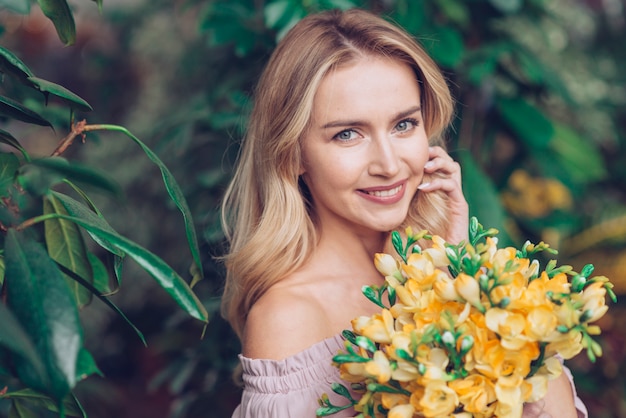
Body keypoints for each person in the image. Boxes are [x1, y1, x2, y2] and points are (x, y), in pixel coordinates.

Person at [220, 8, 587, 418]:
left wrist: (463, 281)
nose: (390, 164)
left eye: (403, 125)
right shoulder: (289, 318)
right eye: (347, 134)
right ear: (294, 154)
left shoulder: (455, 272)